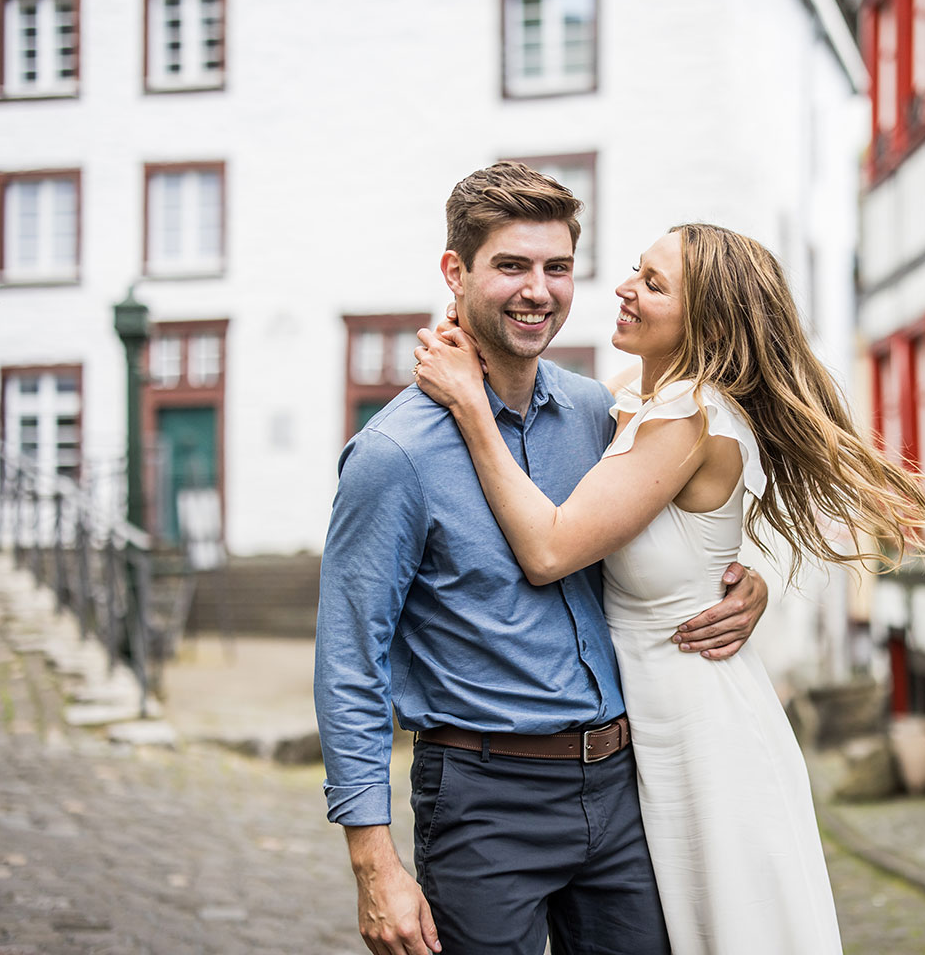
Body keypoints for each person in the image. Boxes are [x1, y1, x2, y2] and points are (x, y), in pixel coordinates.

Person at [414, 222, 925, 954]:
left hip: (700, 727)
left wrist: (469, 408)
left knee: (729, 928)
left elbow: (552, 548)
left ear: (706, 322)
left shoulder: (687, 416)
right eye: (634, 271)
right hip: (647, 723)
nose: (624, 288)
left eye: (654, 284)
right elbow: (760, 504)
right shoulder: (647, 402)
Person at [313, 163, 769, 955]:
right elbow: (350, 661)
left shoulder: (596, 411)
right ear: (456, 273)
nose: (539, 291)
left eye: (557, 268)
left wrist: (742, 579)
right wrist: (372, 861)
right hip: (486, 802)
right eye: (512, 266)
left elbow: (678, 507)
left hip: (623, 787)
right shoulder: (393, 455)